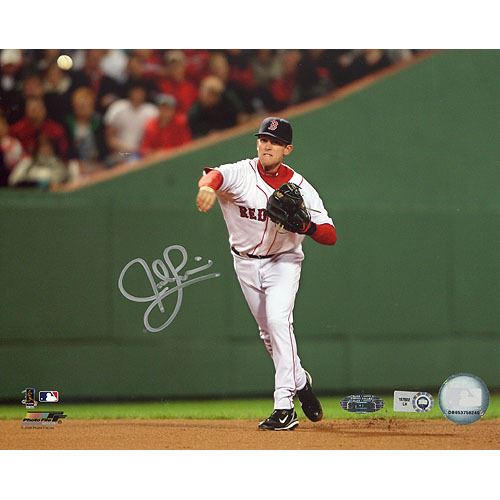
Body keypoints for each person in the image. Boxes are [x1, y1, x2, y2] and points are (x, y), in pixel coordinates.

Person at [195, 117, 337, 430]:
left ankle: (284, 407)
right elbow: (215, 176)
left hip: (283, 262)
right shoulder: (241, 173)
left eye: (275, 142)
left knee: (278, 322)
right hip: (245, 263)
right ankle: (299, 380)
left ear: (288, 149)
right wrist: (206, 188)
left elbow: (330, 234)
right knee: (268, 334)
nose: (267, 145)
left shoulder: (301, 187)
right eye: (263, 139)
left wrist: (307, 226)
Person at [104, 80, 158, 165]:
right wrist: (130, 149)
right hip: (122, 153)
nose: (138, 95)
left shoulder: (152, 111)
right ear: (130, 92)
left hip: (144, 153)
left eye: (140, 92)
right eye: (135, 92)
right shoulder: (117, 108)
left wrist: (142, 151)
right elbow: (110, 139)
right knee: (128, 159)